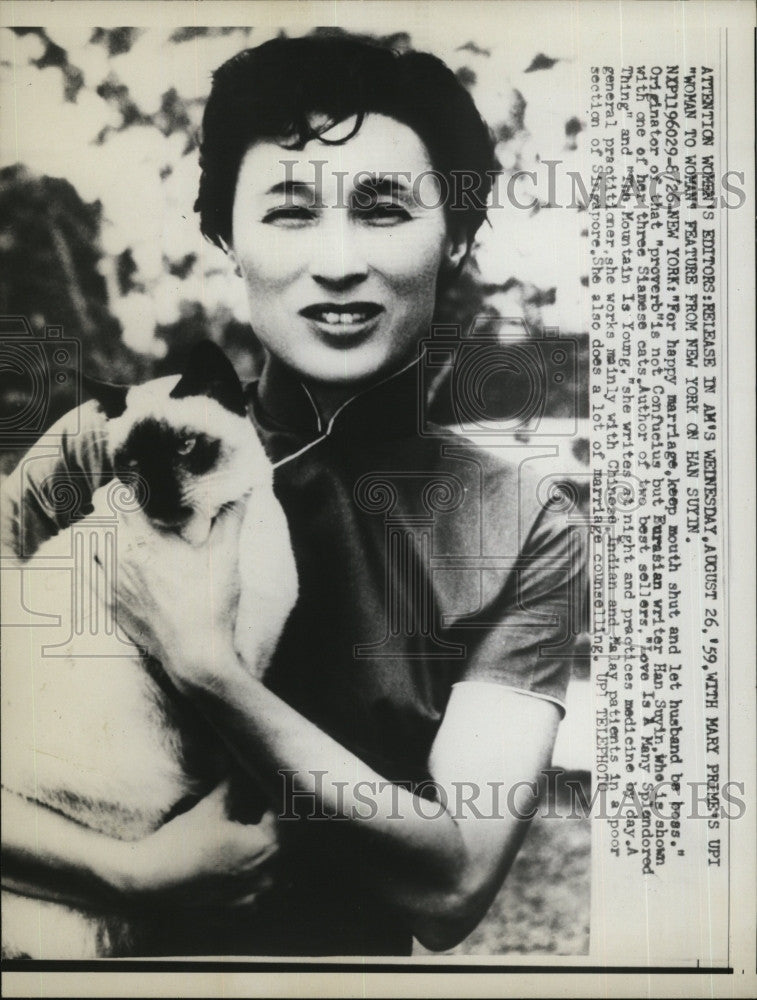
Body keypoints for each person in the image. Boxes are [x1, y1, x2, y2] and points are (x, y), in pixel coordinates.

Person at [1, 34, 586, 956]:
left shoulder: (522, 526)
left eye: (384, 209)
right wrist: (129, 874)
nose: (338, 260)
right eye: (289, 211)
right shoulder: (101, 449)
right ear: (226, 237)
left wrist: (205, 669)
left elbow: (454, 885)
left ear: (462, 235)